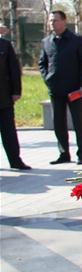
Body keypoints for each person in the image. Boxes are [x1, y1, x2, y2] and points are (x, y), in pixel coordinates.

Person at [39, 11, 82, 165]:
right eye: (50, 21)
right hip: (55, 89)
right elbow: (42, 63)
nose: (52, 23)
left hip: (75, 89)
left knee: (79, 123)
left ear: (64, 21)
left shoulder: (77, 40)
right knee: (58, 123)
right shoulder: (46, 42)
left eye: (55, 20)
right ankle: (63, 153)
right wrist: (47, 79)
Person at [0, 26, 30, 170]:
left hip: (3, 97)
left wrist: (16, 91)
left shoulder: (5, 45)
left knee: (9, 132)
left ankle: (15, 161)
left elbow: (14, 70)